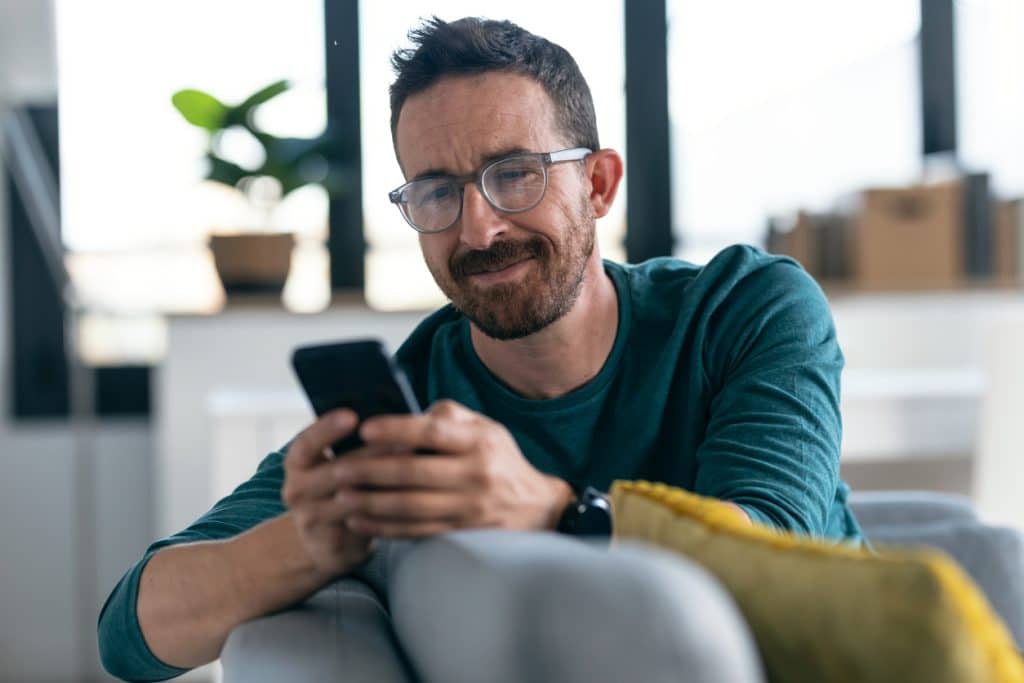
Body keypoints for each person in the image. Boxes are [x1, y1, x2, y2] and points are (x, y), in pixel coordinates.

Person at [98, 16, 861, 683]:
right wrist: (314, 542)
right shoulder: (414, 406)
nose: (477, 230)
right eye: (436, 191)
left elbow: (778, 556)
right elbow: (129, 632)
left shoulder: (746, 309)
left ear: (598, 184)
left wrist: (551, 511)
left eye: (515, 175)